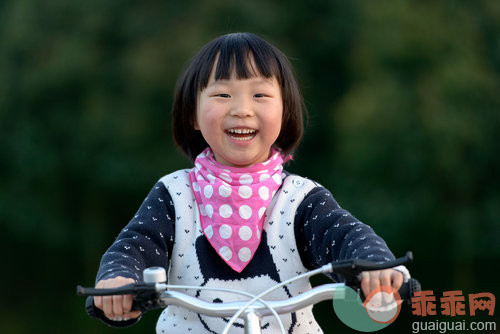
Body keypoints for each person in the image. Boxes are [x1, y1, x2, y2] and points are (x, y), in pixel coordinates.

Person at [86, 32, 410, 333]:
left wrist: (375, 267)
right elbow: (136, 245)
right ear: (191, 114)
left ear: (285, 112)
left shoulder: (300, 200)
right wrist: (118, 281)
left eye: (260, 94)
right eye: (223, 94)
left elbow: (343, 235)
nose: (242, 110)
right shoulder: (174, 195)